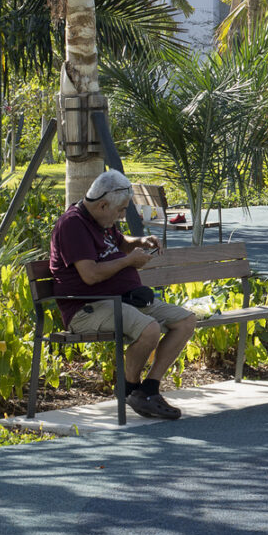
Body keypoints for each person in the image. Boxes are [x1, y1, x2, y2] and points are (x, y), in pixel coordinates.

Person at [47, 169, 197, 421]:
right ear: (103, 204)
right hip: (87, 308)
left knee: (185, 321)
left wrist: (139, 242)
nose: (121, 216)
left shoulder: (102, 220)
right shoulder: (73, 224)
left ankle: (148, 390)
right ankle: (129, 389)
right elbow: (90, 274)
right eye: (119, 210)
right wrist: (129, 261)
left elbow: (119, 243)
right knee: (149, 329)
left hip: (124, 298)